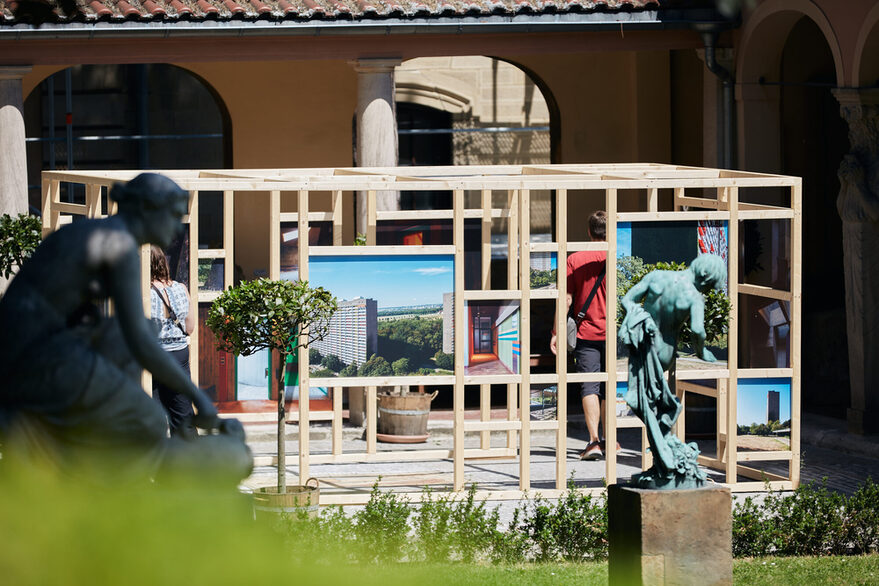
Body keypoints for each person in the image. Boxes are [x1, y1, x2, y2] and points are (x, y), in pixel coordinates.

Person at [0, 173, 251, 483]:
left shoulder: (95, 232)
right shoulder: (119, 245)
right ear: (147, 208)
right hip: (34, 355)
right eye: (173, 215)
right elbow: (141, 341)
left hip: (25, 347)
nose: (177, 228)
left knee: (117, 342)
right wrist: (196, 396)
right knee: (146, 418)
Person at [618, 254, 726, 488]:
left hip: (643, 347)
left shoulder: (657, 276)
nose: (707, 289)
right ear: (705, 276)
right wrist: (701, 351)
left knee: (649, 408)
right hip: (664, 352)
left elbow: (627, 300)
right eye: (710, 284)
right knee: (655, 409)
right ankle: (664, 463)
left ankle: (662, 462)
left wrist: (642, 318)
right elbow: (698, 330)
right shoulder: (694, 297)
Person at [550, 210, 611, 461]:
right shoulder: (618, 256)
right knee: (610, 387)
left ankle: (594, 441)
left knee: (590, 387)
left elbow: (565, 299)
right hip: (616, 334)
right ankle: (610, 439)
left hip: (586, 334)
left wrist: (556, 332)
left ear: (589, 232)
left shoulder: (575, 259)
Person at [150, 245, 197, 438]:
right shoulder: (180, 288)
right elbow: (190, 327)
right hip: (179, 354)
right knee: (182, 412)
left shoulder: (142, 292)